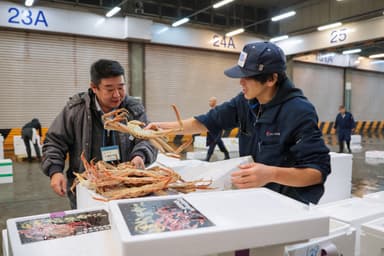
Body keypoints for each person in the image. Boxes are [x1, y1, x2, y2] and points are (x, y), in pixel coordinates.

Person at [146, 41, 331, 205]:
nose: (240, 82)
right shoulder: (245, 102)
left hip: (287, 204)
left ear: (271, 79)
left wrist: (271, 174)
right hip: (253, 198)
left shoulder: (298, 111)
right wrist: (160, 128)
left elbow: (316, 172)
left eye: (247, 76)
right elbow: (206, 121)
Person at [42, 59, 158, 209]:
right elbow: (54, 142)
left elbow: (147, 137)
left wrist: (140, 155)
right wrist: (55, 170)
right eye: (109, 89)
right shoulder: (76, 110)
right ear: (94, 88)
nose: (117, 94)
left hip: (126, 188)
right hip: (87, 188)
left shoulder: (133, 109)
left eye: (121, 87)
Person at [205, 96, 230, 161]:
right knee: (219, 143)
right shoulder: (210, 111)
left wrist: (223, 129)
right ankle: (226, 154)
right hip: (211, 130)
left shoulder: (218, 110)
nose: (209, 102)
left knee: (213, 143)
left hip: (217, 131)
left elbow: (221, 121)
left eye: (210, 101)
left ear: (214, 102)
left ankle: (208, 158)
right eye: (209, 101)